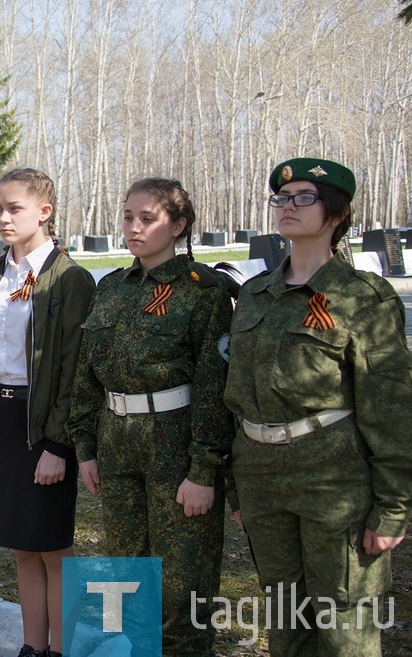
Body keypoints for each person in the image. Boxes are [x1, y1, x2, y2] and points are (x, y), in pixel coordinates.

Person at [224, 158, 412, 655]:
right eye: (281, 198)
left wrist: (394, 508)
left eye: (303, 197)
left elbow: (390, 408)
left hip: (334, 482)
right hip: (262, 478)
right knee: (285, 621)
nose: (287, 206)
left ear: (336, 212)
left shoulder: (362, 296)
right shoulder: (256, 294)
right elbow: (235, 397)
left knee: (344, 626)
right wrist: (236, 488)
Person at [68, 178, 234, 656]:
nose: (134, 227)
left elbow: (213, 386)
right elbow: (87, 374)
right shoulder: (113, 288)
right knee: (124, 575)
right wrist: (86, 448)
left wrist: (204, 469)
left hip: (175, 443)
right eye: (128, 217)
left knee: (181, 586)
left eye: (148, 218)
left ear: (178, 226)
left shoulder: (203, 291)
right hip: (117, 441)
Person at [0, 169, 95, 657]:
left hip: (42, 424)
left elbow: (73, 371)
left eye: (14, 208)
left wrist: (58, 445)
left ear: (45, 212)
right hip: (1, 421)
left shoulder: (70, 279)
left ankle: (60, 650)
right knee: (22, 544)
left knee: (54, 548)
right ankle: (31, 647)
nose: (2, 217)